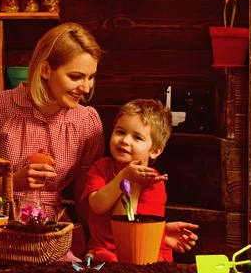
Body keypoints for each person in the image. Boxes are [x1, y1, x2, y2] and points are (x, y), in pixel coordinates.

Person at [0, 22, 105, 261]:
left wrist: (99, 243)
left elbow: (86, 202)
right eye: (75, 77)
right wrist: (14, 183)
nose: (85, 87)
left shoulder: (87, 122)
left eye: (91, 77)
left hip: (52, 236)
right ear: (45, 70)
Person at [82, 98, 199, 262]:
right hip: (106, 249)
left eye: (137, 137)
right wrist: (126, 177)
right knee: (102, 257)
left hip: (141, 246)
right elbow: (97, 205)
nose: (125, 140)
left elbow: (125, 226)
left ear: (155, 151)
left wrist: (135, 184)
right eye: (120, 132)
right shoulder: (100, 168)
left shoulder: (153, 181)